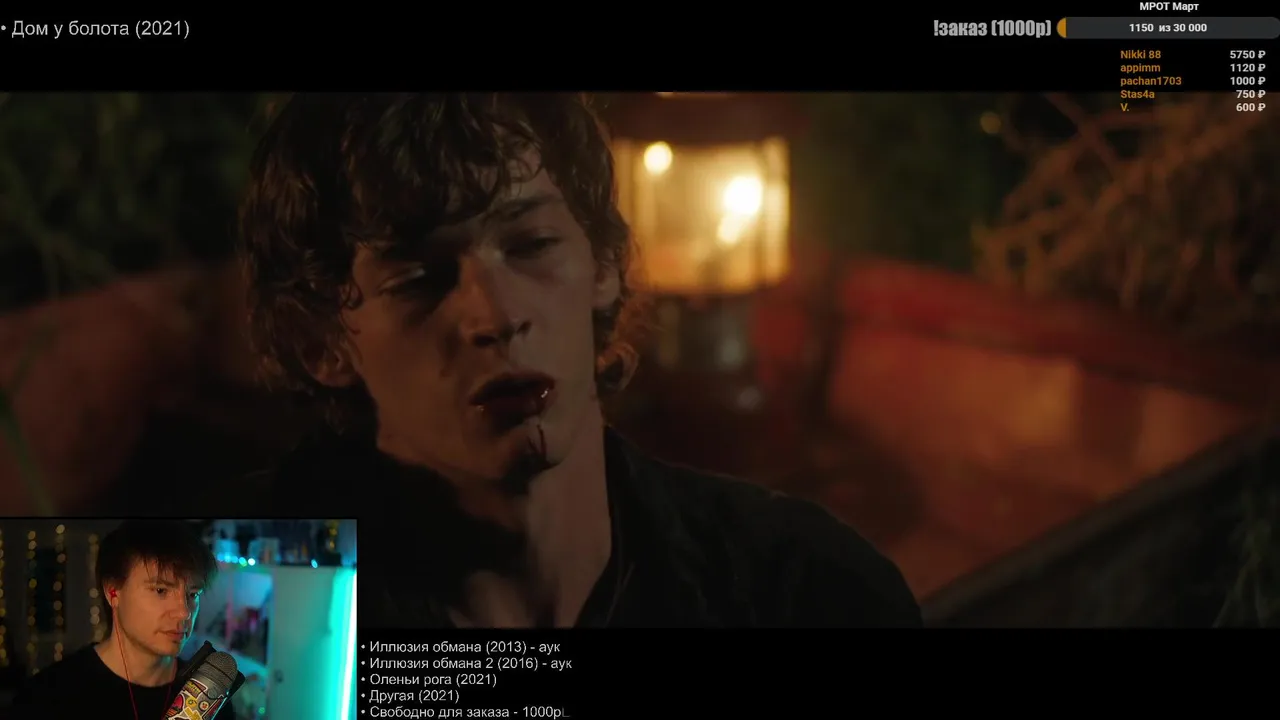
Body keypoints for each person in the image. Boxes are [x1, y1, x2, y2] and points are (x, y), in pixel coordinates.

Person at [228, 92, 921, 627]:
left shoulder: (803, 591)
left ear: (605, 265)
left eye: (532, 245)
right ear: (320, 341)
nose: (498, 317)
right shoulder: (246, 605)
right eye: (419, 278)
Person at [11, 520, 237, 718]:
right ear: (113, 592)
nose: (184, 612)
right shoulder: (47, 698)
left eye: (193, 594)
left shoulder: (210, 700)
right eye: (160, 590)